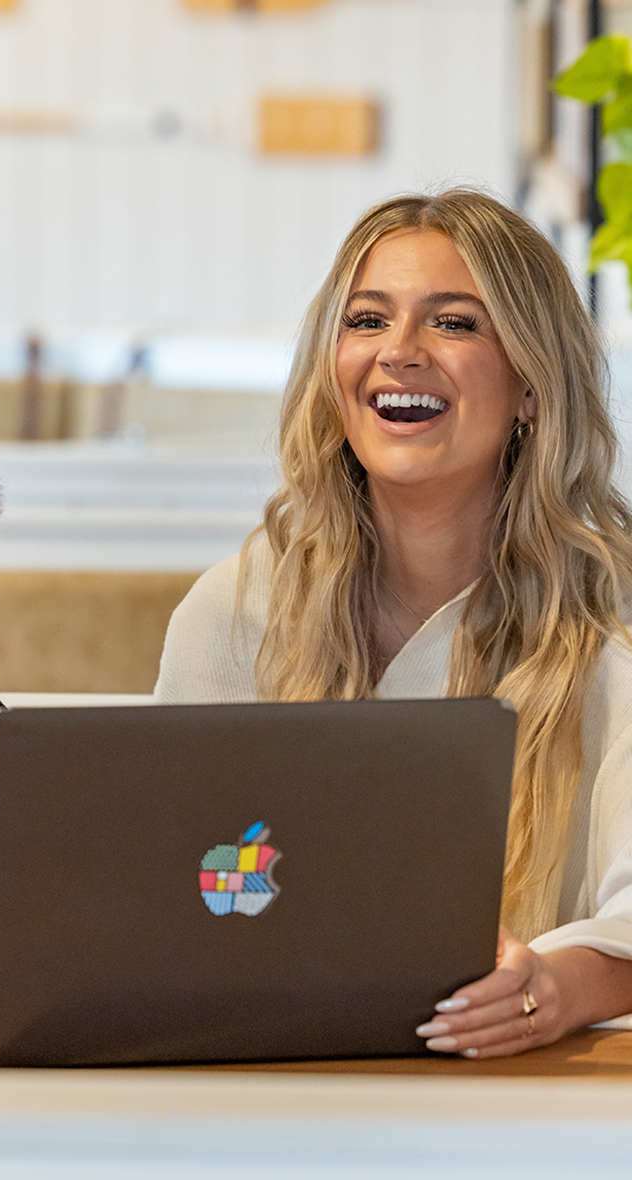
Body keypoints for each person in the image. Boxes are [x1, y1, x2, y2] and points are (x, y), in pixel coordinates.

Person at [156, 188, 632, 1058]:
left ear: (531, 384)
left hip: (533, 1108)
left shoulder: (615, 616)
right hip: (277, 1078)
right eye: (367, 320)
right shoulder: (236, 609)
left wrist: (552, 991)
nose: (399, 354)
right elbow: (179, 887)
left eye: (454, 324)